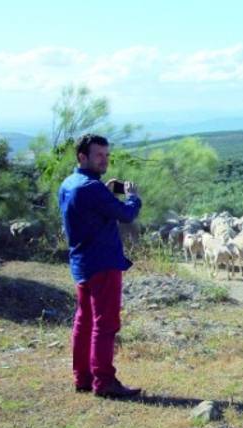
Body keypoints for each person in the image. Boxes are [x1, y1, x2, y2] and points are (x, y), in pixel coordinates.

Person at [58, 134, 142, 398]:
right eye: (99, 155)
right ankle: (104, 382)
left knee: (84, 321)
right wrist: (133, 197)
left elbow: (87, 211)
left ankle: (82, 377)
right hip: (103, 262)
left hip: (82, 261)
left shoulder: (69, 183)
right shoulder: (91, 188)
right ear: (82, 157)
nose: (104, 160)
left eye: (106, 155)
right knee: (105, 323)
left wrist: (104, 192)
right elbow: (126, 214)